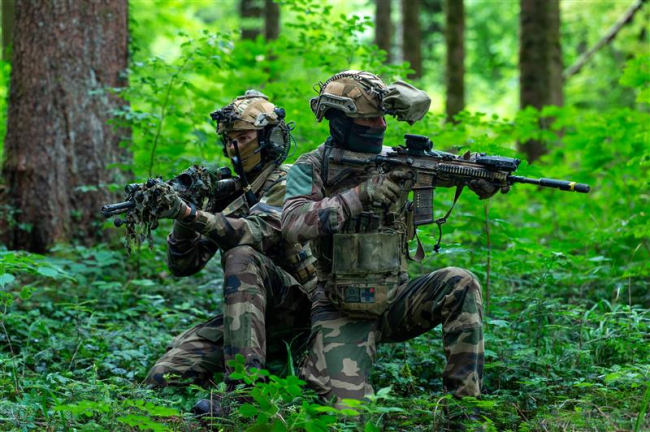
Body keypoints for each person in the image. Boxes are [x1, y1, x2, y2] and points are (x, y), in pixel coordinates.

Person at [281, 71, 507, 405]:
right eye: (369, 120)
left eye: (382, 117)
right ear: (340, 123)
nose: (381, 126)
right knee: (347, 413)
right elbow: (292, 224)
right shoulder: (312, 165)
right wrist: (361, 195)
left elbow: (447, 170)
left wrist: (476, 176)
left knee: (461, 282)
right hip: (340, 305)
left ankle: (466, 408)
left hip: (396, 297)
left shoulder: (394, 160)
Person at [145, 91, 316, 415]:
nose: (233, 146)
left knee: (240, 255)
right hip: (252, 316)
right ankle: (249, 363)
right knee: (162, 377)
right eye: (228, 139)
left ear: (269, 137)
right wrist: (188, 212)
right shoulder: (233, 189)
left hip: (302, 308)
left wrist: (189, 214)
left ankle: (243, 392)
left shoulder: (292, 179)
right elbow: (184, 265)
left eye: (243, 136)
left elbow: (254, 231)